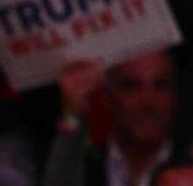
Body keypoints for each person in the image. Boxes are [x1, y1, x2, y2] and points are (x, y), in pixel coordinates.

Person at [42, 50, 177, 186]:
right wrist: (73, 113)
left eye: (161, 85)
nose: (148, 100)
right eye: (131, 86)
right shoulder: (85, 167)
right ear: (106, 96)